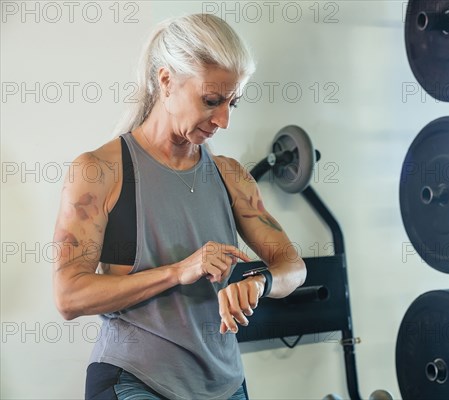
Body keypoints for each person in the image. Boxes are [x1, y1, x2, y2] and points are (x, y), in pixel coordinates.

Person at [52, 13, 306, 400]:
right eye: (211, 100)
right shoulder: (100, 171)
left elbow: (293, 267)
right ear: (166, 81)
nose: (223, 120)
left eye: (232, 103)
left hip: (225, 383)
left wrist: (259, 281)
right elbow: (69, 297)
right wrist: (177, 271)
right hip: (136, 378)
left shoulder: (230, 176)